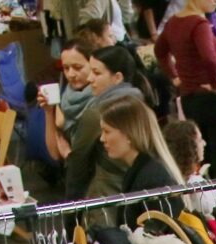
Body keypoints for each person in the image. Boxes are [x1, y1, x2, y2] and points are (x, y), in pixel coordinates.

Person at [154, 0, 216, 178]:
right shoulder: (199, 24)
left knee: (201, 163)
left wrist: (175, 77)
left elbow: (159, 51)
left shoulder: (173, 22)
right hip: (214, 102)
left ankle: (207, 202)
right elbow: (209, 58)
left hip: (189, 101)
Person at [63, 45, 151, 198]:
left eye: (96, 73)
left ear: (117, 77)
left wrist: (72, 210)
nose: (90, 79)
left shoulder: (99, 113)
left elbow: (78, 163)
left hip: (108, 196)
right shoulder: (140, 101)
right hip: (142, 189)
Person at [98, 93, 183, 193]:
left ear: (129, 134)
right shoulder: (139, 171)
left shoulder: (151, 179)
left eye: (107, 131)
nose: (102, 139)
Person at [40, 36, 99, 166]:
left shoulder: (101, 98)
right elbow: (55, 153)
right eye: (66, 68)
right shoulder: (67, 97)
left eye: (77, 67)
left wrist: (68, 154)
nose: (71, 74)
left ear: (93, 64)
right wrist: (49, 112)